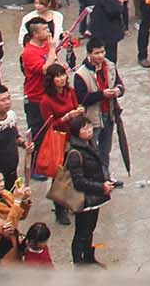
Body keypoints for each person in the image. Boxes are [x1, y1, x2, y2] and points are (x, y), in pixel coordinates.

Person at [61, 110, 115, 266]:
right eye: (85, 128)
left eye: (90, 126)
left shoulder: (89, 145)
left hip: (94, 196)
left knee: (90, 229)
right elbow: (79, 182)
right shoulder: (75, 153)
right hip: (84, 198)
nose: (89, 130)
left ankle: (89, 257)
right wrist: (101, 187)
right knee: (82, 231)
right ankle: (78, 262)